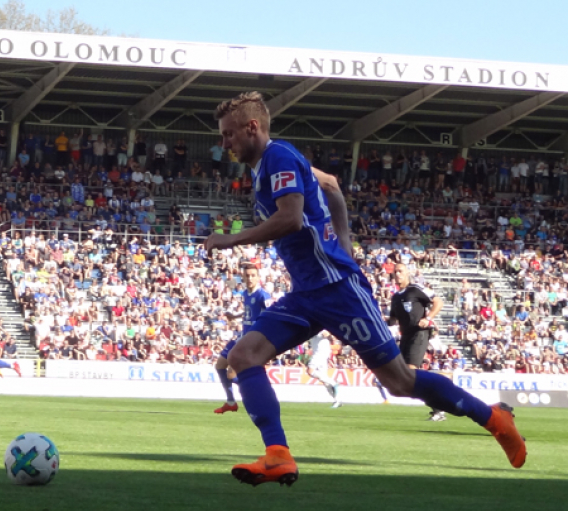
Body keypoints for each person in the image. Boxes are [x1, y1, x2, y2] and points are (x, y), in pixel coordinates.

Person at [205, 92, 525, 486]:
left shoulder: (280, 158)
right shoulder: (270, 165)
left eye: (228, 134)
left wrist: (232, 239)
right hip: (307, 293)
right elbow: (333, 187)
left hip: (339, 290)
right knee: (243, 355)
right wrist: (345, 242)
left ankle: (495, 419)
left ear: (252, 128)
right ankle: (278, 455)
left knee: (400, 382)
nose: (224, 144)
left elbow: (289, 220)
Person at [388, 263, 446, 421]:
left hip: (419, 334)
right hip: (406, 336)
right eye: (395, 272)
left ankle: (439, 405)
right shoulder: (396, 297)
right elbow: (393, 320)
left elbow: (438, 302)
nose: (397, 274)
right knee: (405, 377)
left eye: (400, 271)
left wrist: (428, 319)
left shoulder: (416, 289)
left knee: (410, 373)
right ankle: (437, 400)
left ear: (407, 273)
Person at [213, 263, 269, 414]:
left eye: (253, 275)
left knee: (232, 373)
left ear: (258, 278)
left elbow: (272, 313)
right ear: (243, 277)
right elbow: (248, 313)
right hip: (242, 336)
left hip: (252, 341)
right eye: (247, 275)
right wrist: (235, 316)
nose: (250, 278)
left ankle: (258, 394)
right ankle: (231, 401)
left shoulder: (263, 295)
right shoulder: (245, 294)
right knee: (219, 366)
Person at [305, 331, 342, 408]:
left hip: (320, 354)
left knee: (310, 371)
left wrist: (329, 335)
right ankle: (337, 401)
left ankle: (334, 383)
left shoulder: (319, 329)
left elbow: (326, 333)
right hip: (321, 354)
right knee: (325, 382)